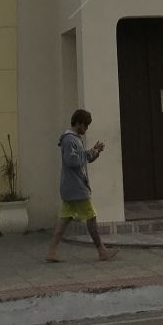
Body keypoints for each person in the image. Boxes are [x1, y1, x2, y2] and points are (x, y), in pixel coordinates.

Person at [46, 108, 117, 262]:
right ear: (78, 123)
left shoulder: (75, 139)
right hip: (76, 188)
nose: (86, 129)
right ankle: (101, 251)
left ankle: (51, 251)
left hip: (71, 187)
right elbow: (72, 161)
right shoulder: (69, 139)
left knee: (64, 219)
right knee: (91, 217)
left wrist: (94, 152)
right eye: (85, 125)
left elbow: (83, 159)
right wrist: (89, 153)